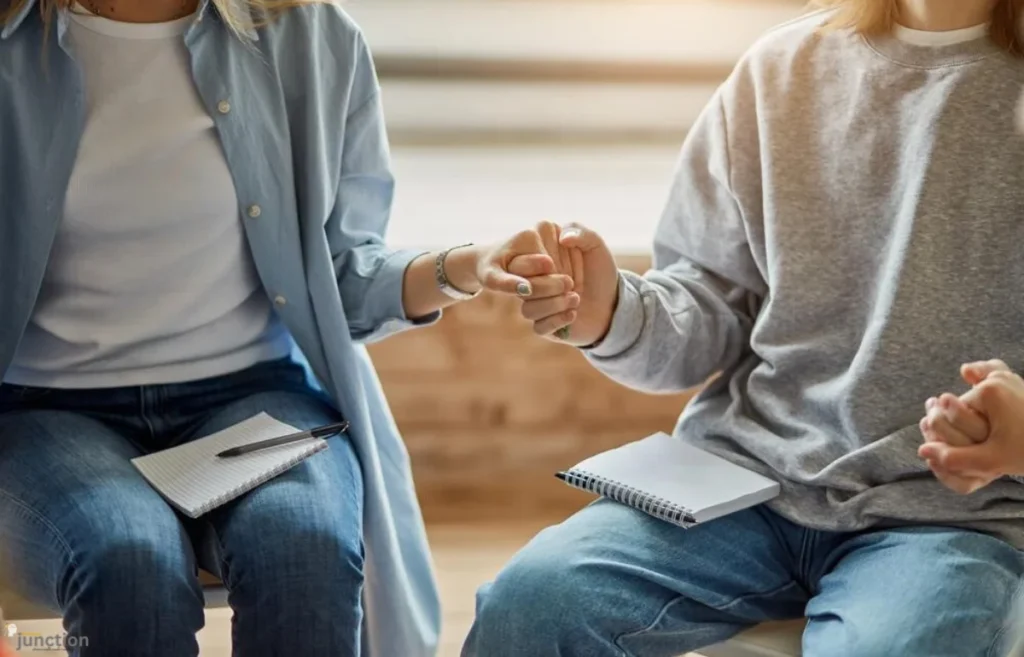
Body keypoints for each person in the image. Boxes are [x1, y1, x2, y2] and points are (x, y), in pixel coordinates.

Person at [0, 1, 575, 656]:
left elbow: (342, 278)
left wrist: (465, 266)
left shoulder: (312, 37)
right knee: (128, 559)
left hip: (252, 397)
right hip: (44, 410)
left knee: (306, 545)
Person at [463, 1, 1024, 656]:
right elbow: (710, 302)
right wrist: (613, 313)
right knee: (530, 604)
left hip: (952, 521)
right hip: (742, 485)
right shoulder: (779, 69)